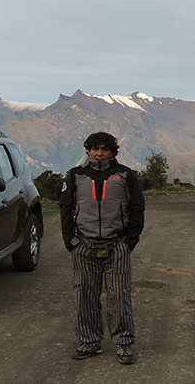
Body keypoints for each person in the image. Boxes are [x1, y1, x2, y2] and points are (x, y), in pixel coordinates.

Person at [60, 132, 145, 365]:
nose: (99, 153)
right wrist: (71, 242)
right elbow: (65, 208)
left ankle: (124, 344)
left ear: (113, 152)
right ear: (87, 150)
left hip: (117, 245)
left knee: (120, 296)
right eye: (95, 149)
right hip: (84, 246)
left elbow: (137, 208)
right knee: (85, 296)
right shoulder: (75, 175)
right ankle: (90, 342)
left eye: (104, 149)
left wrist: (130, 242)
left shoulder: (125, 175)